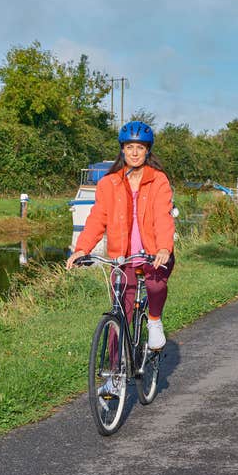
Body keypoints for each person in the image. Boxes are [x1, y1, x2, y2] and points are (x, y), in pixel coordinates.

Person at [67, 121, 175, 353]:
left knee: (156, 287)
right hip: (122, 257)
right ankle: (115, 375)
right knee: (119, 317)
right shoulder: (109, 183)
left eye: (140, 147)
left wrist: (164, 248)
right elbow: (98, 218)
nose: (134, 152)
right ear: (122, 149)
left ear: (147, 151)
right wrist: (82, 248)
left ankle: (154, 320)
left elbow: (163, 216)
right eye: (129, 147)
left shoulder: (158, 180)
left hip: (153, 253)